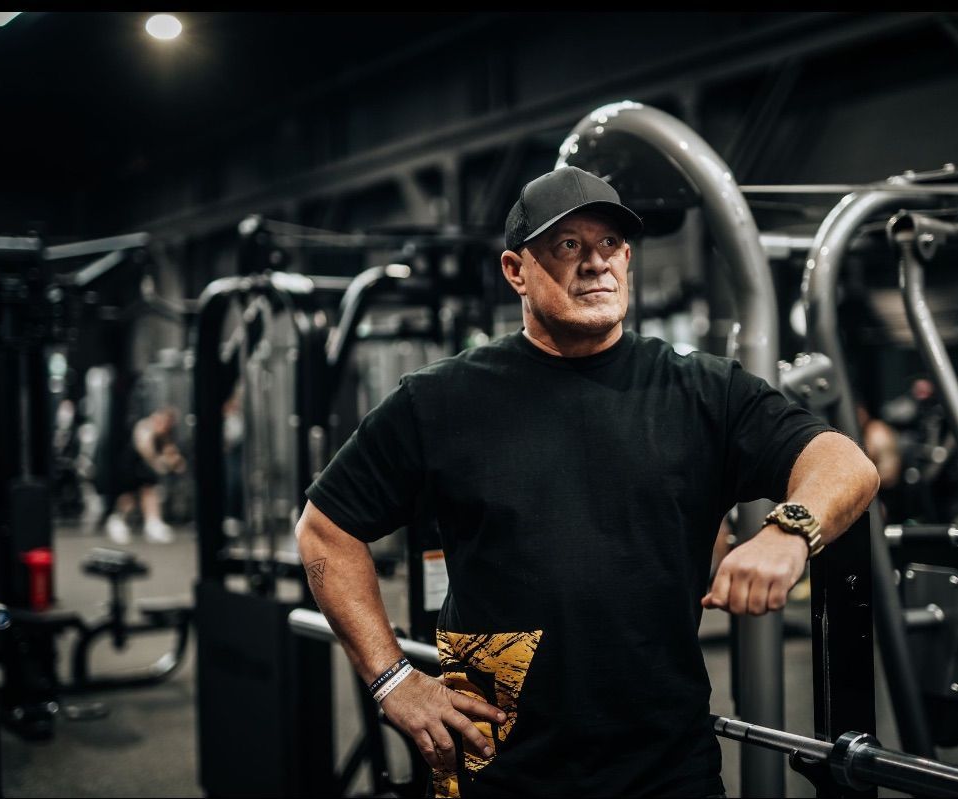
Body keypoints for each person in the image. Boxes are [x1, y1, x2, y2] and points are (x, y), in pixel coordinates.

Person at [295, 166, 879, 798]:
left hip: (665, 764)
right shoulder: (439, 400)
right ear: (516, 271)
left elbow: (846, 463)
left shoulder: (703, 390)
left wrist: (789, 530)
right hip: (497, 756)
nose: (597, 263)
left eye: (610, 246)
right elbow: (326, 531)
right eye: (569, 245)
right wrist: (393, 682)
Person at [102, 406, 185, 545]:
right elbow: (145, 448)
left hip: (143, 469)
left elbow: (170, 451)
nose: (167, 426)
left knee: (149, 492)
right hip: (130, 466)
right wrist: (159, 463)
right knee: (129, 498)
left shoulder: (163, 433)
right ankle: (117, 521)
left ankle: (152, 523)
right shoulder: (145, 426)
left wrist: (175, 461)